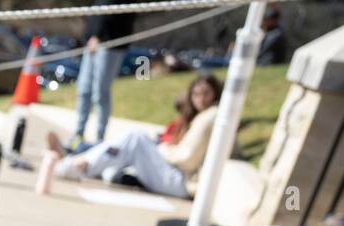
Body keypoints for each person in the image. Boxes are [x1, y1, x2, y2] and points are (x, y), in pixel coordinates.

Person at [47, 74, 224, 199]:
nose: (201, 98)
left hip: (181, 182)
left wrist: (163, 148)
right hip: (174, 174)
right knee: (115, 163)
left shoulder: (210, 117)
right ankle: (75, 160)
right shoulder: (197, 118)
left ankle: (75, 163)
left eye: (206, 93)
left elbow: (187, 158)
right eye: (196, 94)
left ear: (215, 94)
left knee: (135, 138)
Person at [70, 0, 136, 149]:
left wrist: (98, 36)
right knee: (84, 89)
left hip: (110, 45)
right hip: (92, 43)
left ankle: (99, 140)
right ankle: (78, 134)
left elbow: (113, 13)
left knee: (100, 93)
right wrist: (90, 36)